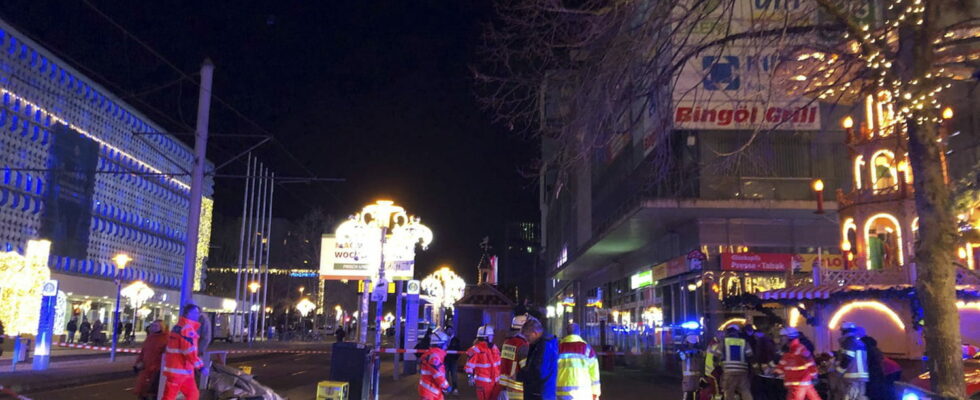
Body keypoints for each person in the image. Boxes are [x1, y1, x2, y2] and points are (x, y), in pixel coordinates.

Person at [162, 304, 206, 400]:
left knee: (192, 395)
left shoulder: (178, 327)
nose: (198, 315)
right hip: (180, 371)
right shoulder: (187, 329)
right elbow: (189, 352)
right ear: (188, 314)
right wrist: (201, 367)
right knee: (173, 396)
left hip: (180, 370)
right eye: (196, 313)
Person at [556, 323, 600, 400]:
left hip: (561, 394)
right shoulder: (587, 349)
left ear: (567, 333)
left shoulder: (558, 348)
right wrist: (595, 392)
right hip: (582, 394)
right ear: (579, 333)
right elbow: (594, 374)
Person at [773, 327, 820, 400]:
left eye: (782, 337)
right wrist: (776, 372)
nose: (780, 339)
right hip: (802, 384)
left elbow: (810, 363)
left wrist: (814, 376)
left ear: (788, 337)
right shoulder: (788, 351)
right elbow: (783, 364)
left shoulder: (801, 349)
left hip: (798, 385)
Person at [492, 314, 531, 400]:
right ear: (523, 328)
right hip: (519, 388)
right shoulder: (522, 345)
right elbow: (526, 369)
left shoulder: (507, 341)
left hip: (505, 386)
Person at [519, 317, 557, 400]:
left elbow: (539, 371)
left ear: (534, 333)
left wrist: (521, 375)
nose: (526, 339)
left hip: (538, 394)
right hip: (543, 393)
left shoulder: (543, 346)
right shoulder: (544, 343)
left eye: (527, 335)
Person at [715, 325, 754, 400]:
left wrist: (718, 365)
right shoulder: (744, 342)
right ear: (737, 332)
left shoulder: (724, 342)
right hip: (742, 371)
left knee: (729, 392)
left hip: (729, 372)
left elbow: (716, 355)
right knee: (745, 391)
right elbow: (750, 355)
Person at [133, 320, 168, 399]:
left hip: (156, 370)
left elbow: (165, 356)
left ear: (162, 327)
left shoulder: (166, 339)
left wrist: (158, 368)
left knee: (153, 391)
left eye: (157, 326)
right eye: (153, 326)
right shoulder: (150, 338)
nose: (154, 328)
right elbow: (143, 352)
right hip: (146, 368)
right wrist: (137, 364)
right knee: (142, 390)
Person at [465, 325, 501, 400]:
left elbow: (499, 363)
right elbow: (469, 366)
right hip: (483, 383)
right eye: (491, 336)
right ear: (486, 337)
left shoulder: (494, 347)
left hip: (496, 382)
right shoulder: (475, 349)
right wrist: (470, 377)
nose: (492, 337)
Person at [836, 322, 869, 400]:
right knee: (859, 397)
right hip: (860, 376)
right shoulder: (859, 342)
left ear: (844, 331)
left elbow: (847, 358)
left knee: (849, 398)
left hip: (852, 376)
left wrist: (838, 371)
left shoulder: (849, 342)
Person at [419, 330, 451, 400]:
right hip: (431, 391)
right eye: (445, 344)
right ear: (441, 344)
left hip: (429, 390)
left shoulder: (430, 354)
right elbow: (437, 374)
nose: (446, 346)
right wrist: (446, 386)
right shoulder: (435, 357)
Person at [679, 334, 703, 400]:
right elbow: (682, 357)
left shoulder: (698, 351)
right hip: (689, 377)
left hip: (695, 377)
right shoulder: (684, 351)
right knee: (688, 394)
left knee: (695, 394)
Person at [444, 326, 462, 394]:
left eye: (450, 330)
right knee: (445, 375)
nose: (449, 331)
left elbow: (459, 349)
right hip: (445, 360)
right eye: (448, 330)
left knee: (454, 375)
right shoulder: (444, 339)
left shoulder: (456, 340)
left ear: (452, 331)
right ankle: (446, 388)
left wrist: (456, 358)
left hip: (453, 360)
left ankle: (455, 388)